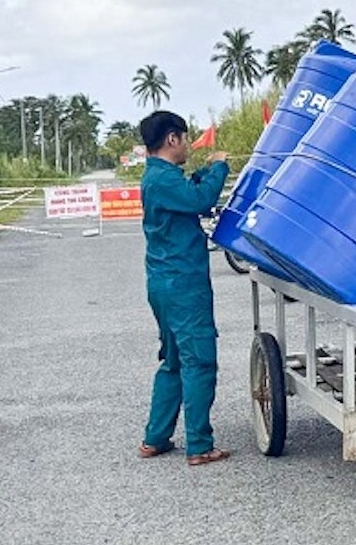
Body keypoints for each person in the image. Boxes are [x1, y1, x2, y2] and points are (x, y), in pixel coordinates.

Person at [136, 110, 233, 466]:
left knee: (174, 361)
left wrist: (205, 174)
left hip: (164, 282)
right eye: (185, 139)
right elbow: (200, 201)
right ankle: (199, 445)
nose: (189, 146)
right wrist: (219, 167)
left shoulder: (159, 177)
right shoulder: (162, 180)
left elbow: (190, 192)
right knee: (199, 360)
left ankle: (156, 437)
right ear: (172, 139)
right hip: (183, 284)